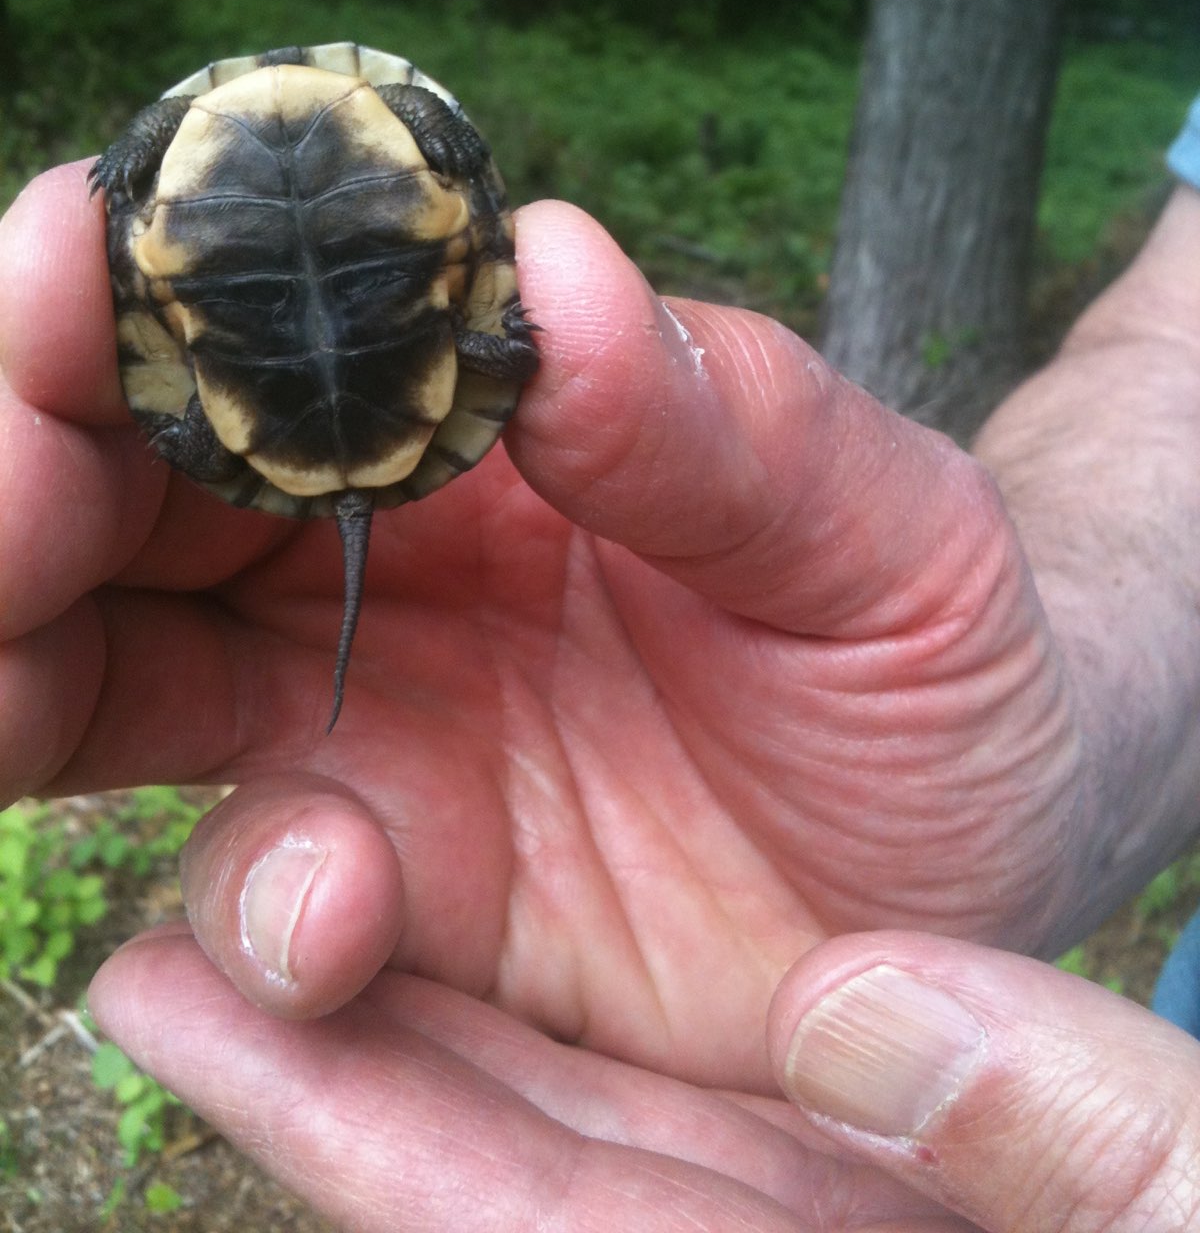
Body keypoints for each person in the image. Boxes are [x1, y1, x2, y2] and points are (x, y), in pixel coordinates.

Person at [0, 113, 1198, 1233]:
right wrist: (1061, 738)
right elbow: (1174, 353)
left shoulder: (202, 183)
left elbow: (181, 372)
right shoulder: (380, 148)